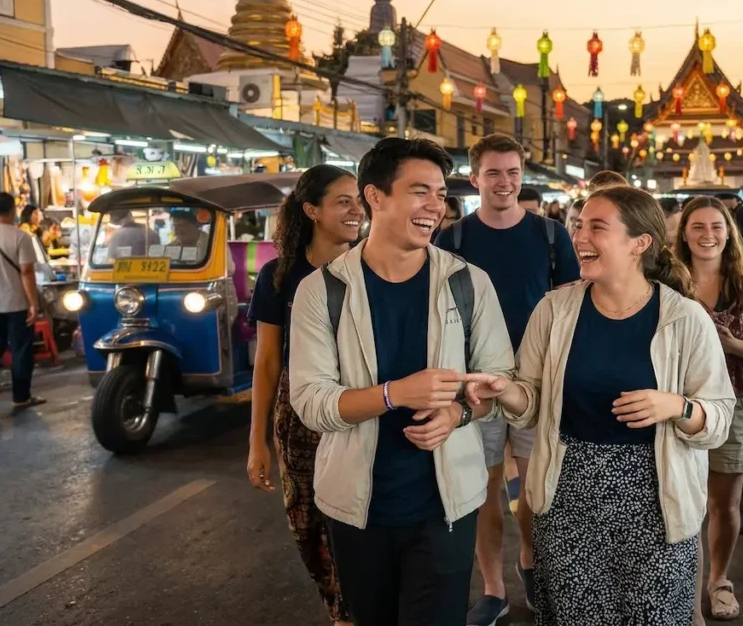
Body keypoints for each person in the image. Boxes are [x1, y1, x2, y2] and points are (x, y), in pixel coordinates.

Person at [465, 186, 734, 626]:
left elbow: (719, 417)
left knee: (657, 616)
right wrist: (504, 390)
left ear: (639, 243)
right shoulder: (554, 310)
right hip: (568, 498)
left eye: (597, 227)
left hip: (657, 501)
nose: (580, 236)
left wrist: (677, 406)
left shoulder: (683, 318)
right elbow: (529, 403)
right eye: (579, 225)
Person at [289, 138, 515, 626]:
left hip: (446, 506)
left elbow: (498, 384)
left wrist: (458, 412)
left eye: (439, 193)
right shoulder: (321, 290)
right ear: (375, 196)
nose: (435, 206)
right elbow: (310, 402)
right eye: (419, 192)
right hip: (357, 508)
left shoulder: (469, 283)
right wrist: (394, 395)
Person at [434, 133, 581, 624]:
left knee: (537, 487)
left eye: (513, 172)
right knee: (484, 487)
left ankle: (532, 567)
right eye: (493, 173)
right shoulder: (452, 239)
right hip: (475, 380)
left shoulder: (550, 235)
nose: (505, 182)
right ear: (474, 179)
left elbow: (570, 305)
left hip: (537, 380)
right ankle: (494, 588)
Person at [246, 166, 363, 626]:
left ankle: (359, 608)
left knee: (359, 520)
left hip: (362, 406)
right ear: (312, 210)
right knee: (309, 526)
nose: (356, 211)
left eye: (358, 200)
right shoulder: (280, 275)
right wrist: (257, 440)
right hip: (299, 419)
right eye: (343, 201)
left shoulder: (374, 265)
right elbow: (269, 361)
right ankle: (340, 609)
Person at [676, 197, 743, 620]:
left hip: (736, 403)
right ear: (684, 233)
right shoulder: (668, 281)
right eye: (697, 227)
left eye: (716, 226)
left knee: (725, 504)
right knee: (681, 499)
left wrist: (736, 346)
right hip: (678, 403)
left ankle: (719, 580)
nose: (707, 235)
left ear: (729, 232)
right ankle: (684, 589)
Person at [0, 193, 45, 408]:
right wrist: (34, 303)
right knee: (21, 350)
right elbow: (27, 273)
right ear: (13, 210)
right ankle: (21, 397)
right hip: (16, 304)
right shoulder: (21, 237)